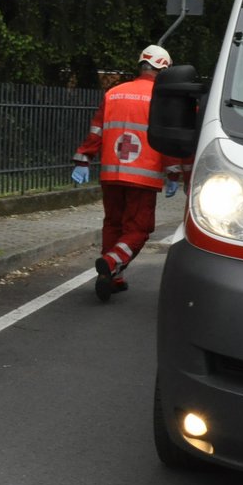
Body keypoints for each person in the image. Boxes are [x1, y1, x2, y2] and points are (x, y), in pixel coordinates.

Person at [71, 44, 185, 303]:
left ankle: (111, 277)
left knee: (113, 223)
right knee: (139, 229)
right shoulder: (161, 97)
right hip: (143, 176)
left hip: (111, 173)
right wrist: (173, 173)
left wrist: (83, 159)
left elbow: (96, 131)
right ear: (164, 68)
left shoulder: (114, 93)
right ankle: (112, 262)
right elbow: (165, 138)